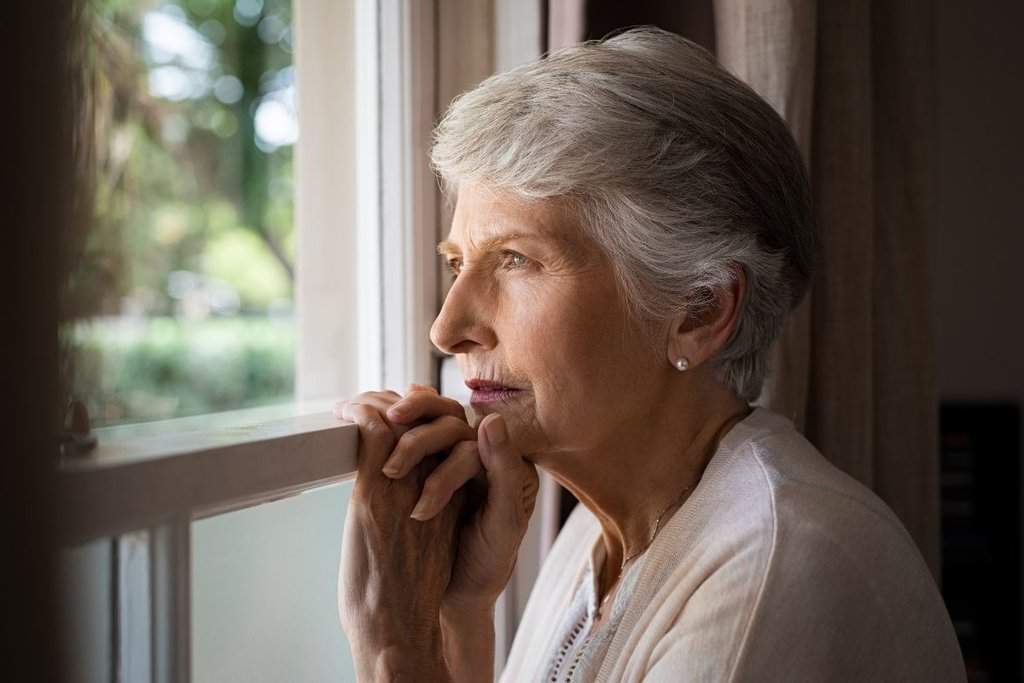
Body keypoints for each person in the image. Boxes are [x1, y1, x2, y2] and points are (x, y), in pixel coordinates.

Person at [334, 27, 965, 682]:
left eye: (516, 260)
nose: (447, 327)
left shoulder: (777, 566)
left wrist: (394, 649)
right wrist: (460, 612)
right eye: (458, 263)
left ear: (698, 311)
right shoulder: (594, 539)